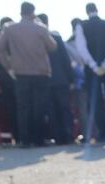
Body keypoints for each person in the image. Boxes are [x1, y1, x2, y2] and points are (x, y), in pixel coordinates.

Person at [0, 3, 57, 148]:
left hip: (20, 73)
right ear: (33, 13)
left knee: (23, 107)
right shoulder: (40, 28)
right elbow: (53, 46)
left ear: (20, 12)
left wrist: (8, 66)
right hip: (41, 72)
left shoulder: (10, 28)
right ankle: (39, 139)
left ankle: (25, 139)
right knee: (39, 106)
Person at [75, 3, 105, 141]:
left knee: (95, 101)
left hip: (92, 70)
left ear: (86, 11)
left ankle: (102, 132)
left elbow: (81, 48)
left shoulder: (82, 26)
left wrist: (93, 65)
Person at [36, 14, 74, 145]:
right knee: (65, 109)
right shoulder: (56, 38)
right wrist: (71, 78)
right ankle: (69, 136)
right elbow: (65, 60)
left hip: (45, 81)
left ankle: (58, 137)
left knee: (52, 111)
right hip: (61, 80)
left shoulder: (35, 40)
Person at [0, 18, 17, 144]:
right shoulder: (11, 39)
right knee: (18, 108)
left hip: (1, 81)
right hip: (13, 78)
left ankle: (10, 138)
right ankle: (19, 136)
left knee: (7, 111)